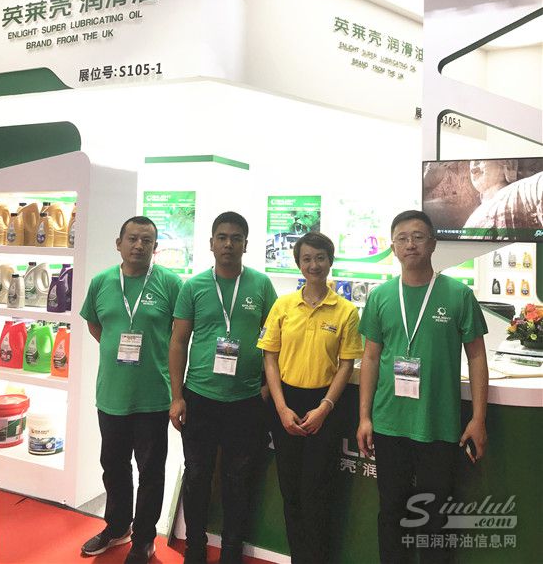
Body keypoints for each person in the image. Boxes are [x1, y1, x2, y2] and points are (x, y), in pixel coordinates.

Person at [357, 210, 489, 564]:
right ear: (393, 248)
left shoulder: (458, 294)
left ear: (433, 243)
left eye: (418, 236)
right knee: (391, 512)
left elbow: (477, 357)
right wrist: (365, 417)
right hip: (389, 424)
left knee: (436, 517)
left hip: (438, 425)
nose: (410, 244)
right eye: (402, 238)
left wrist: (478, 418)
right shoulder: (381, 296)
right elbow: (370, 358)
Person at [169, 211, 278, 564]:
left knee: (239, 479)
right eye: (222, 237)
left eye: (236, 238)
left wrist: (266, 386)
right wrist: (176, 396)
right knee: (197, 475)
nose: (228, 244)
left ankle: (231, 551)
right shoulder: (193, 286)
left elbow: (275, 341)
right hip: (200, 397)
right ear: (211, 243)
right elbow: (178, 342)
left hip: (246, 401)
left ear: (246, 244)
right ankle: (195, 548)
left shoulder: (261, 285)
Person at [80, 216, 182, 564]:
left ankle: (144, 539)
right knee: (113, 465)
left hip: (153, 396)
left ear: (155, 247)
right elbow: (96, 325)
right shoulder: (101, 282)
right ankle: (117, 526)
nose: (139, 245)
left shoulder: (171, 284)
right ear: (119, 243)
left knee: (150, 471)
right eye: (133, 239)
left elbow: (180, 335)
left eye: (147, 241)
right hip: (112, 395)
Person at [258, 231, 363, 564]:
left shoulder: (346, 311)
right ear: (298, 263)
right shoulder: (283, 305)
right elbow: (270, 357)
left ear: (330, 261)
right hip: (285, 403)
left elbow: (346, 364)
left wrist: (325, 408)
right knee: (290, 491)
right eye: (307, 259)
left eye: (320, 258)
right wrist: (281, 408)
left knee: (317, 491)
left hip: (325, 406)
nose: (313, 265)